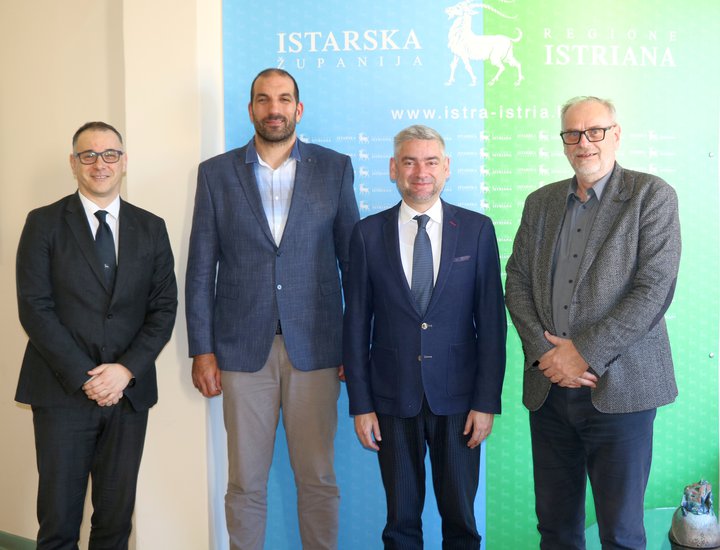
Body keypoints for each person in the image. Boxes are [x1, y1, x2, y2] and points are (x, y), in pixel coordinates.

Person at [185, 68, 360, 550]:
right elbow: (201, 268)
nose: (274, 108)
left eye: (284, 99)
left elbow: (354, 264)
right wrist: (201, 350)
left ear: (298, 109)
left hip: (318, 348)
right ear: (251, 110)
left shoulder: (334, 167)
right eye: (263, 100)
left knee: (318, 478)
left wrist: (354, 345)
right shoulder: (216, 173)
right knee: (244, 481)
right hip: (242, 352)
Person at [505, 96, 681, 548]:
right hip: (549, 392)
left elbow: (653, 291)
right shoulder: (540, 202)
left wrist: (581, 354)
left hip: (622, 391)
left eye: (595, 131)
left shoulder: (651, 195)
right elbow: (517, 282)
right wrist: (547, 355)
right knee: (556, 529)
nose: (584, 143)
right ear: (564, 142)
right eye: (573, 134)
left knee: (620, 532)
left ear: (615, 134)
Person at [15, 121, 178, 549]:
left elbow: (163, 309)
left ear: (124, 163)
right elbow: (35, 308)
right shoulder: (43, 223)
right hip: (61, 392)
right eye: (88, 155)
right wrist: (87, 378)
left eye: (109, 155)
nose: (99, 164)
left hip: (128, 396)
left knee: (115, 522)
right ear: (73, 163)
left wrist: (125, 371)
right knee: (58, 522)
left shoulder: (151, 227)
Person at [343, 124, 506, 549]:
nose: (421, 172)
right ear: (394, 169)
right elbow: (356, 324)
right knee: (400, 523)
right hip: (392, 401)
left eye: (431, 161)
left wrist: (486, 402)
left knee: (461, 522)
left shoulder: (476, 230)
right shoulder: (366, 234)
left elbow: (491, 324)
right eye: (410, 162)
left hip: (458, 402)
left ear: (446, 168)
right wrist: (361, 405)